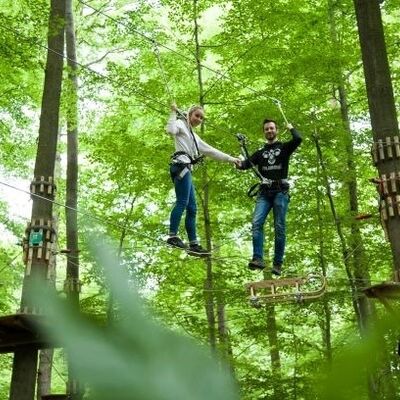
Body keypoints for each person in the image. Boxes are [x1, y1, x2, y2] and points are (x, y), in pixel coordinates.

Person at [166, 103, 241, 257]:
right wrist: (173, 113)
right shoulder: (180, 124)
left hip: (186, 169)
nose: (199, 119)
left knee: (192, 208)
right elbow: (170, 130)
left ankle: (193, 244)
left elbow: (212, 151)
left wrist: (231, 159)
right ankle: (172, 235)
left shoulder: (195, 137)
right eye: (197, 116)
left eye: (201, 118)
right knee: (182, 202)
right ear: (189, 115)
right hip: (181, 166)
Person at [237, 119, 302, 275]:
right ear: (264, 132)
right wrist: (236, 161)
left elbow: (298, 139)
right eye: (266, 129)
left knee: (279, 227)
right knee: (256, 222)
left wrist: (291, 127)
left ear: (276, 130)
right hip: (265, 193)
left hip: (281, 191)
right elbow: (245, 165)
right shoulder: (260, 153)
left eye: (272, 128)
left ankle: (277, 264)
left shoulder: (284, 148)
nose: (269, 131)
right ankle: (257, 258)